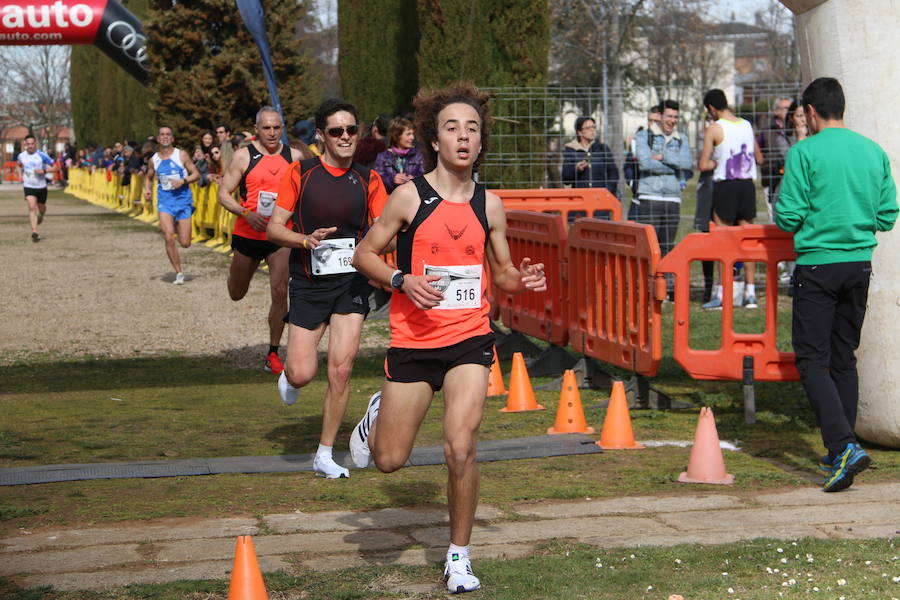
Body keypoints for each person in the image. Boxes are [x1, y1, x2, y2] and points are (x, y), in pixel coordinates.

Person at [348, 83, 547, 594]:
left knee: (461, 447)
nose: (463, 136)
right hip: (414, 343)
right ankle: (377, 414)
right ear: (434, 141)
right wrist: (401, 280)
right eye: (452, 128)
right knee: (389, 461)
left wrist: (519, 280)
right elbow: (364, 255)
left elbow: (500, 274)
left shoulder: (491, 205)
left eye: (472, 128)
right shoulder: (410, 196)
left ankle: (458, 556)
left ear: (481, 143)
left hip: (468, 340)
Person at [776, 77, 897, 492]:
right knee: (843, 357)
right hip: (859, 265)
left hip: (818, 265)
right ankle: (843, 448)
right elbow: (887, 216)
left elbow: (787, 217)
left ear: (810, 112)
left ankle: (843, 445)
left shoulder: (804, 152)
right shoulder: (873, 150)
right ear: (842, 107)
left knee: (811, 359)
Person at [266, 98, 388, 479]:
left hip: (350, 284)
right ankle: (291, 375)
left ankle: (324, 453)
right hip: (308, 283)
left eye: (352, 129)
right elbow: (273, 228)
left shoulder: (369, 179)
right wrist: (305, 241)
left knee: (341, 369)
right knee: (303, 373)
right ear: (321, 136)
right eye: (337, 131)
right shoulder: (300, 173)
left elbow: (384, 230)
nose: (346, 137)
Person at [217, 107, 304, 375]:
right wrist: (246, 213)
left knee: (279, 292)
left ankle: (273, 352)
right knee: (236, 293)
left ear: (282, 128)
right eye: (266, 128)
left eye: (276, 127)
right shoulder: (244, 156)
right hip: (248, 232)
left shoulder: (295, 156)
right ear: (256, 129)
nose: (272, 133)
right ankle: (236, 275)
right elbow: (223, 194)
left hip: (279, 234)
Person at [698, 88, 763, 310]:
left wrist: (717, 161)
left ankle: (722, 293)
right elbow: (759, 157)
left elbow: (703, 164)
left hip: (725, 185)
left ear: (711, 108)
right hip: (747, 186)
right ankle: (750, 293)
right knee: (748, 240)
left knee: (722, 239)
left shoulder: (714, 129)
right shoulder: (746, 125)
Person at [633, 99, 692, 271]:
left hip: (673, 199)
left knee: (667, 246)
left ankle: (665, 288)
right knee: (650, 248)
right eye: (669, 116)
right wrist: (674, 165)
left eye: (676, 117)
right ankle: (648, 287)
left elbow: (687, 163)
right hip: (649, 197)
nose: (673, 120)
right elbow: (644, 164)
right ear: (659, 116)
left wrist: (662, 157)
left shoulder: (682, 138)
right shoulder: (644, 136)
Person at [143, 126, 200, 285]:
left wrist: (183, 181)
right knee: (168, 237)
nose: (165, 137)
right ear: (158, 138)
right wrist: (147, 190)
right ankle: (179, 272)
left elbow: (196, 174)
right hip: (165, 202)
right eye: (162, 134)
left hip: (183, 201)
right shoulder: (154, 159)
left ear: (173, 138)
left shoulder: (181, 155)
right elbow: (148, 177)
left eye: (168, 134)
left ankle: (176, 224)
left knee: (185, 243)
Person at [561, 116, 618, 194]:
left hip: (601, 198)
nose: (592, 130)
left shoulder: (603, 149)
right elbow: (566, 180)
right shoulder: (571, 150)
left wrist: (608, 192)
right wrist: (576, 169)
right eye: (588, 128)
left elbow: (613, 174)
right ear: (579, 132)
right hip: (581, 199)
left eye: (594, 127)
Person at [16, 135, 57, 242]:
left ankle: (41, 216)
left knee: (41, 208)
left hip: (41, 186)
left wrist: (44, 171)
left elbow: (56, 167)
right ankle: (35, 231)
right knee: (31, 207)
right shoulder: (21, 156)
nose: (30, 146)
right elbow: (19, 165)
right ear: (25, 144)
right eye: (28, 144)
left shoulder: (42, 155)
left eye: (32, 144)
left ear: (35, 144)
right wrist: (20, 175)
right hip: (28, 186)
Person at [758, 96, 792, 213]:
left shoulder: (795, 130)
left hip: (790, 179)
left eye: (790, 107)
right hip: (772, 179)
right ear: (776, 111)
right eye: (785, 108)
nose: (788, 110)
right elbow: (757, 150)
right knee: (773, 215)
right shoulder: (767, 131)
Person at [373, 117, 425, 193]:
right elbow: (377, 180)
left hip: (413, 198)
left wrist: (415, 180)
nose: (412, 137)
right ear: (397, 135)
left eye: (413, 134)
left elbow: (425, 176)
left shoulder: (418, 155)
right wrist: (392, 180)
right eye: (408, 134)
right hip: (390, 200)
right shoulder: (383, 157)